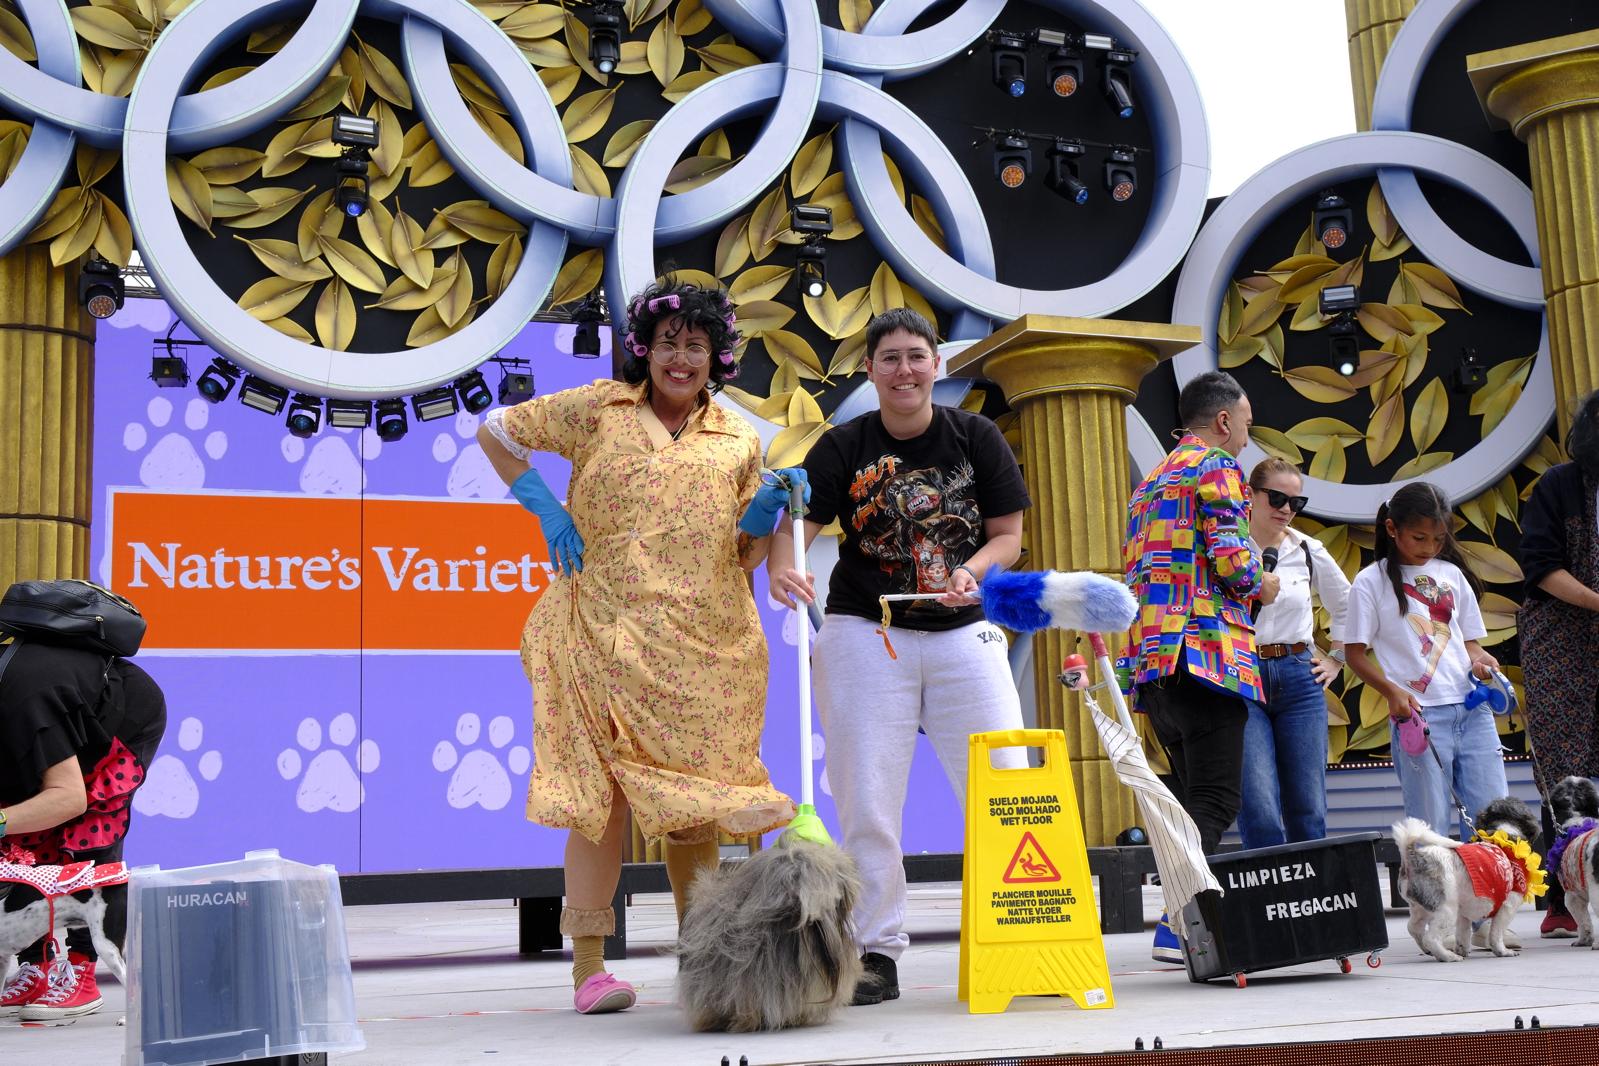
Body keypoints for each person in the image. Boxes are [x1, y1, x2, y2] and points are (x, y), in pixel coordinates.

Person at [478, 279, 796, 1015]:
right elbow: (495, 430)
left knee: (695, 806)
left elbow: (742, 555)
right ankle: (589, 968)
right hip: (597, 629)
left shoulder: (740, 438)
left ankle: (703, 963)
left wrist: (766, 512)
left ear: (716, 355)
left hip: (699, 646)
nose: (680, 358)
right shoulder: (597, 408)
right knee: (600, 803)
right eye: (667, 343)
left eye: (696, 344)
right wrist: (544, 506)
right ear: (642, 348)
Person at [767, 307, 1030, 1007]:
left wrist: (971, 571)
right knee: (867, 801)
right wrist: (783, 570)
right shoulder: (841, 445)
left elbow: (1008, 534)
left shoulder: (975, 437)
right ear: (870, 370)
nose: (905, 370)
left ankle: (1021, 931)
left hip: (963, 629)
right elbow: (794, 526)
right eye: (890, 358)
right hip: (864, 631)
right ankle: (874, 950)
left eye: (916, 355)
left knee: (1006, 783)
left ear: (937, 363)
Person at [1123, 370, 1275, 963]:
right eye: (1245, 424)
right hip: (1206, 653)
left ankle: (1183, 923)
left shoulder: (1150, 481)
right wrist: (1263, 584)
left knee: (1188, 806)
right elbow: (1235, 562)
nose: (1245, 437)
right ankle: (1175, 921)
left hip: (1154, 662)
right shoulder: (1216, 466)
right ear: (1222, 421)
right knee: (1216, 801)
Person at [0, 638, 167, 1020]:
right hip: (54, 713)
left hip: (117, 719)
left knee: (88, 825)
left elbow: (69, 798)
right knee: (20, 846)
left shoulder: (26, 705)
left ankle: (81, 969)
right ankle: (35, 965)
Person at [1343, 482, 1508, 844]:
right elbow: (1354, 654)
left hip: (1473, 709)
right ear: (1392, 529)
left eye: (1438, 539)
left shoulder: (1451, 574)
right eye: (1419, 538)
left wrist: (1483, 663)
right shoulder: (1369, 582)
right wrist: (1391, 692)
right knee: (1429, 829)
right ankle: (1433, 901)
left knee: (1493, 821)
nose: (1430, 548)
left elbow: (1471, 646)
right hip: (1420, 716)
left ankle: (1487, 898)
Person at [1517, 389, 1599, 938]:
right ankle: (1566, 901)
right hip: (1562, 643)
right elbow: (1540, 567)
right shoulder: (1560, 485)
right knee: (1566, 775)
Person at [1236, 457, 1350, 850]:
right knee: (1259, 807)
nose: (1286, 509)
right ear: (1250, 495)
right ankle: (1267, 904)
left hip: (1300, 675)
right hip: (1242, 676)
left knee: (1307, 806)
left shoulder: (1307, 549)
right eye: (1277, 498)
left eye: (1296, 503)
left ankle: (1312, 900)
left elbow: (1348, 605)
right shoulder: (1227, 548)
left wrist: (1337, 657)